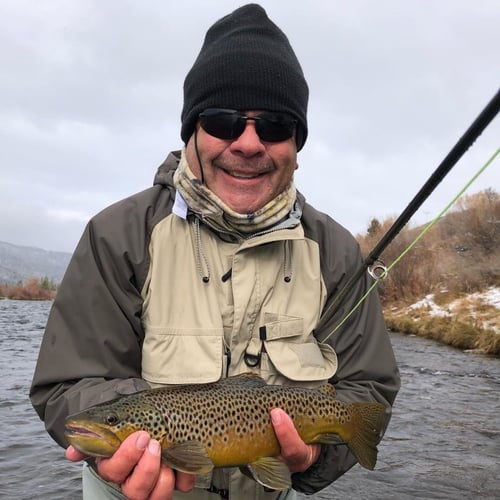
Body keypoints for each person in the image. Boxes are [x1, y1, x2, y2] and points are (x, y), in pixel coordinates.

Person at [30, 4, 400, 499]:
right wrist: (131, 439)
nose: (248, 143)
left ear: (297, 142)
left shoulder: (334, 252)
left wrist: (318, 453)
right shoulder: (118, 235)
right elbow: (65, 385)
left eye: (274, 125)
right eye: (224, 121)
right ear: (192, 131)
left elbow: (367, 389)